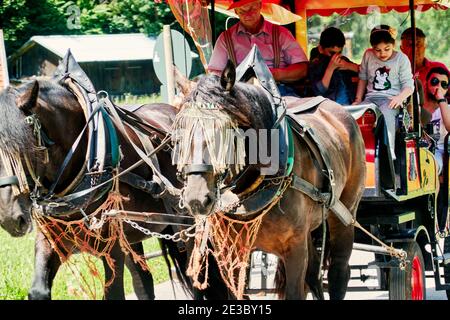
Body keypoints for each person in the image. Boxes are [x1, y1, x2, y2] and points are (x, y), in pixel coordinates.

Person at [206, 0, 308, 96]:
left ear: (260, 5)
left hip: (279, 92)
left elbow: (302, 69)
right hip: (240, 94)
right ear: (236, 11)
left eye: (252, 9)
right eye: (242, 11)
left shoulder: (281, 34)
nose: (248, 15)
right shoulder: (225, 39)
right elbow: (214, 74)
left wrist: (276, 74)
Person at [354, 25, 414, 162]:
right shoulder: (368, 55)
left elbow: (409, 86)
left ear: (393, 45)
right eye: (378, 50)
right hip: (370, 99)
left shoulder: (401, 59)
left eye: (387, 49)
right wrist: (358, 100)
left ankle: (389, 152)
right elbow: (362, 78)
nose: (382, 54)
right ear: (372, 48)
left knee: (386, 112)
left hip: (391, 99)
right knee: (358, 115)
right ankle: (359, 153)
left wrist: (400, 97)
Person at [309, 27, 359, 105]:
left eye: (339, 53)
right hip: (329, 109)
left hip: (349, 106)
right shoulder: (316, 64)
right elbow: (319, 91)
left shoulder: (343, 60)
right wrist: (330, 69)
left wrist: (348, 65)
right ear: (321, 49)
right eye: (332, 53)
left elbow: (363, 71)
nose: (335, 57)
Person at [423, 65, 450, 174]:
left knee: (431, 167)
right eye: (435, 81)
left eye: (443, 85)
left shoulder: (447, 109)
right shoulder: (417, 107)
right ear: (426, 83)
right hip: (421, 149)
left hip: (440, 150)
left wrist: (441, 100)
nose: (439, 86)